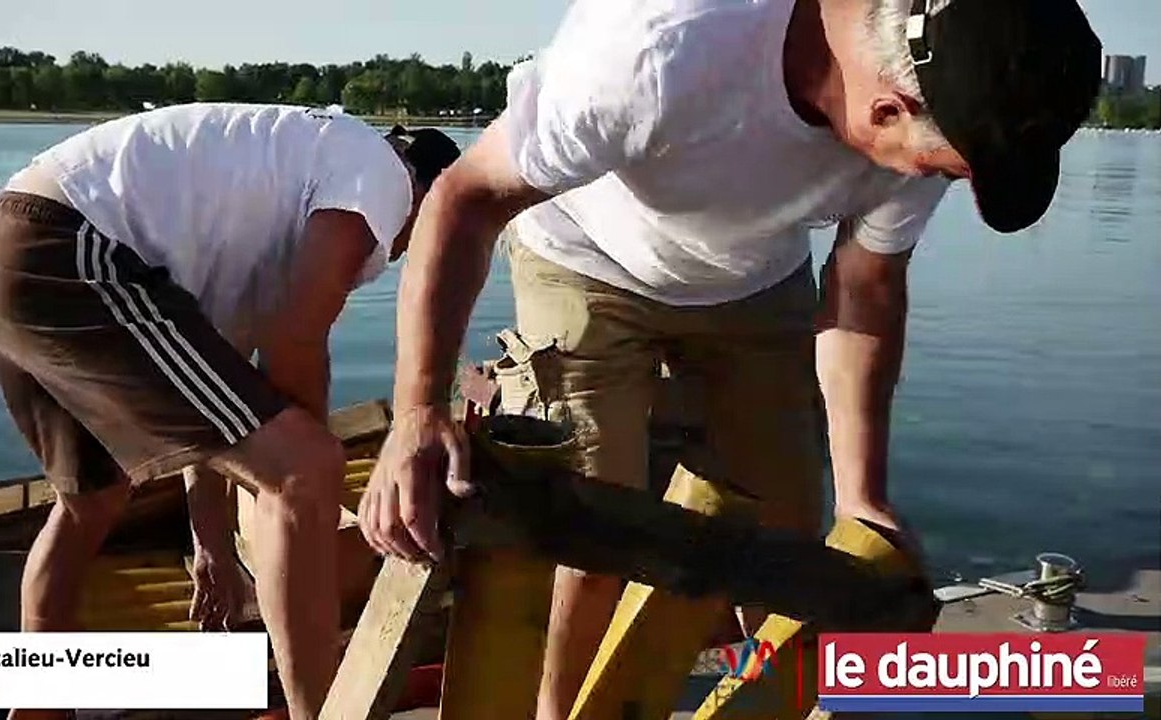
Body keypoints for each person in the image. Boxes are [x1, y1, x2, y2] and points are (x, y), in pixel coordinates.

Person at [358, 0, 1101, 717]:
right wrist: (418, 413)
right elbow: (466, 197)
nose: (937, 182)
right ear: (886, 109)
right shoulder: (657, 47)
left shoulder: (937, 108)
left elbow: (865, 291)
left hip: (753, 274)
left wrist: (862, 497)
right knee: (590, 535)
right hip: (584, 255)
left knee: (793, 547)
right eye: (941, 171)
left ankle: (764, 704)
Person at [0, 103, 459, 719]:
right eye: (428, 237)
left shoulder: (281, 191)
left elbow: (215, 413)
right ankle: (316, 712)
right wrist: (306, 483)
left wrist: (212, 543)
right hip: (67, 248)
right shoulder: (382, 175)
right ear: (430, 195)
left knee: (92, 498)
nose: (401, 253)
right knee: (307, 465)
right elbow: (295, 340)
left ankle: (37, 712)